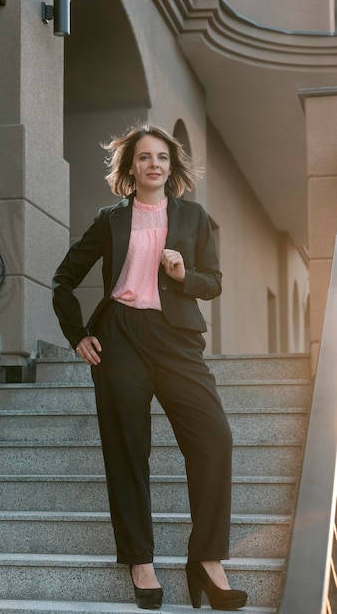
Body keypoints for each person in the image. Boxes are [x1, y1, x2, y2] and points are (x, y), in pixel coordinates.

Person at [52, 124, 248, 611]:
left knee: (214, 438)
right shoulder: (109, 219)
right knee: (127, 450)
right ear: (130, 167)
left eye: (162, 157)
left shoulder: (194, 217)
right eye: (144, 157)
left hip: (177, 340)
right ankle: (141, 561)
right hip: (119, 339)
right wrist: (77, 334)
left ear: (172, 166)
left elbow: (214, 282)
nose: (154, 164)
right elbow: (63, 279)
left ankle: (206, 560)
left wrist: (184, 276)